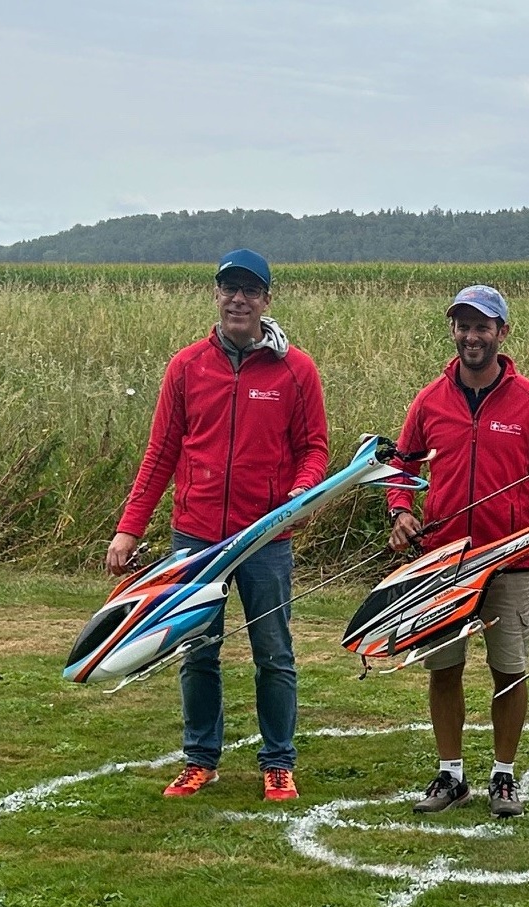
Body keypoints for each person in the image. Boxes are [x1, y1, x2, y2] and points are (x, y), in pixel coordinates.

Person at [106, 248, 329, 802]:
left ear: (266, 300)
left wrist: (302, 490)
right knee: (196, 650)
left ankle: (278, 761)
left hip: (266, 537)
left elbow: (314, 447)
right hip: (197, 535)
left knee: (273, 653)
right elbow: (160, 453)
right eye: (229, 288)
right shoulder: (186, 366)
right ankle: (200, 759)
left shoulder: (294, 369)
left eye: (250, 290)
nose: (238, 299)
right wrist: (129, 527)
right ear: (216, 294)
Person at [386, 285, 529, 818]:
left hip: (512, 559)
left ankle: (504, 777)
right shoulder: (429, 400)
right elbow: (403, 468)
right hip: (443, 562)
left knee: (509, 670)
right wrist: (401, 511)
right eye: (463, 325)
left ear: (501, 333)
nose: (472, 336)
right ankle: (450, 775)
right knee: (444, 668)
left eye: (482, 326)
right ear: (455, 331)